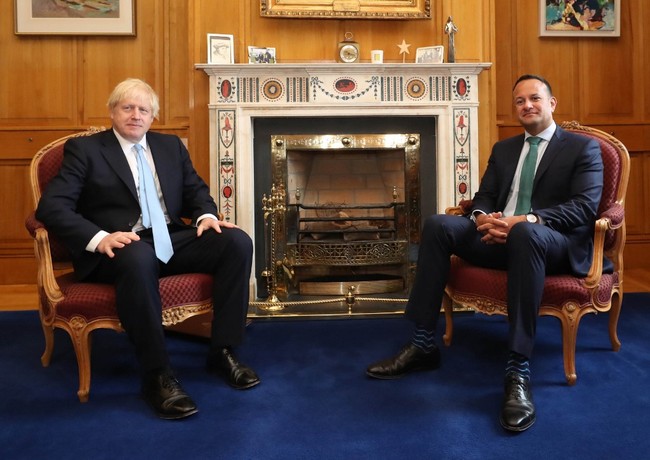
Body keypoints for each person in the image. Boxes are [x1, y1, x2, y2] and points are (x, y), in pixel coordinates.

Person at [365, 74, 603, 432]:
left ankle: (518, 369)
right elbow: (485, 196)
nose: (527, 106)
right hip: (497, 237)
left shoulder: (582, 149)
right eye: (520, 101)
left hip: (550, 242)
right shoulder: (504, 149)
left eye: (535, 99)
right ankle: (422, 343)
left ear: (551, 103)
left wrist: (525, 220)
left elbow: (584, 208)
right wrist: (482, 219)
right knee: (438, 224)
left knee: (524, 233)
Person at [36, 78, 259, 420]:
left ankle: (223, 350)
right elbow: (52, 207)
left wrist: (206, 215)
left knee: (236, 241)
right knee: (138, 254)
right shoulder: (87, 150)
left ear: (153, 116)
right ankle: (157, 374)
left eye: (144, 109)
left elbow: (196, 191)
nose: (136, 115)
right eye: (127, 107)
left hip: (169, 237)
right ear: (113, 112)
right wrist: (99, 237)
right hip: (117, 247)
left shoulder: (170, 147)